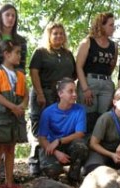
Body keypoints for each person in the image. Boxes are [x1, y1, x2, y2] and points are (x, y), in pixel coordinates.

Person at [0, 3, 27, 178]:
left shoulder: (21, 40)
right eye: (7, 15)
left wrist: (21, 102)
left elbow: (21, 66)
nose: (10, 18)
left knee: (10, 140)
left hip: (14, 89)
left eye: (13, 16)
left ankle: (7, 178)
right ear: (1, 16)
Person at [28, 23, 76, 176]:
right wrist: (40, 93)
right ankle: (34, 162)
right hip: (43, 93)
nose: (59, 36)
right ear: (49, 35)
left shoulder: (68, 54)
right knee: (39, 127)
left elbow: (73, 75)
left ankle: (51, 160)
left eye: (61, 33)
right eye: (55, 33)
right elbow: (34, 73)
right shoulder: (41, 52)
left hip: (59, 96)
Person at [0, 40, 28, 188]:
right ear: (6, 54)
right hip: (0, 116)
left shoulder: (21, 74)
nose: (19, 56)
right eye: (17, 53)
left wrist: (22, 106)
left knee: (11, 148)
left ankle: (10, 182)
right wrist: (13, 107)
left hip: (16, 117)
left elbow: (26, 95)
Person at [38, 77, 88, 183]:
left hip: (68, 144)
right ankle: (53, 173)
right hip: (52, 148)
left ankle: (73, 177)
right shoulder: (48, 112)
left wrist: (59, 140)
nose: (74, 94)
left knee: (81, 146)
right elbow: (42, 138)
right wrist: (56, 152)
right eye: (70, 91)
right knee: (52, 171)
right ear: (60, 94)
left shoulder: (80, 109)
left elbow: (80, 133)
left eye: (75, 91)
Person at [76, 12, 118, 133]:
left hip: (106, 84)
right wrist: (85, 88)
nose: (113, 28)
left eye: (114, 25)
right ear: (101, 25)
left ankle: (99, 148)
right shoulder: (88, 42)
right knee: (88, 118)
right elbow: (79, 66)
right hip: (89, 83)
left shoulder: (114, 46)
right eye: (111, 25)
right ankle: (84, 148)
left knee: (104, 119)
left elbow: (111, 67)